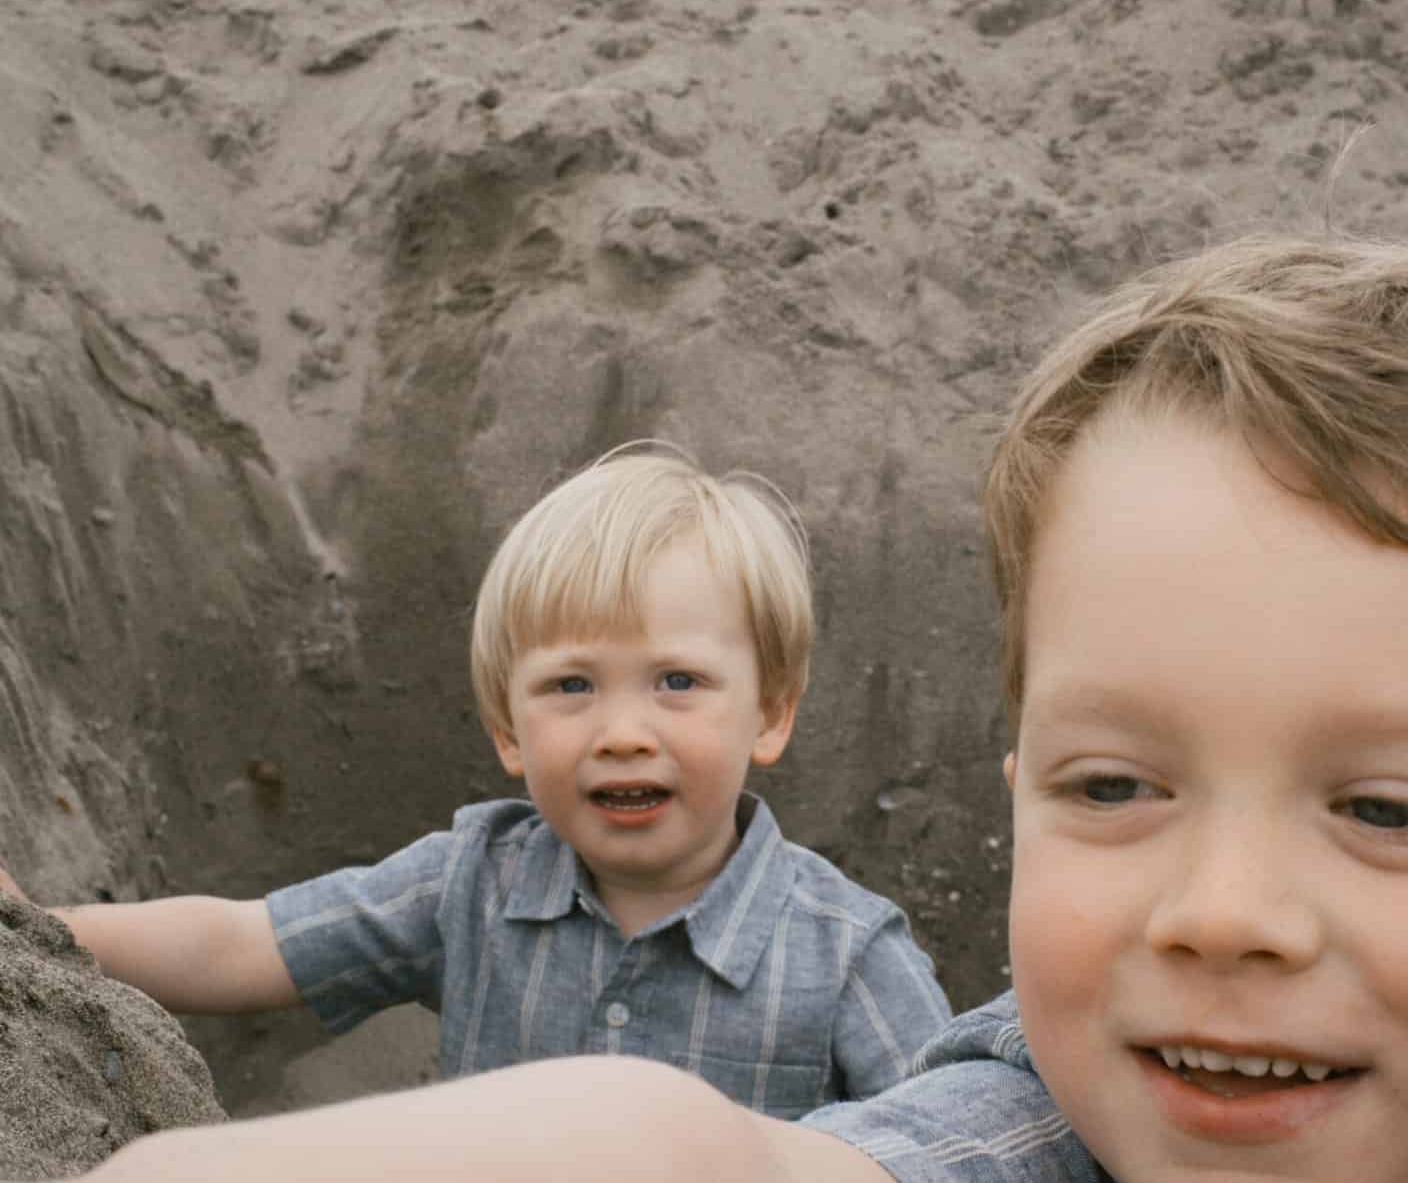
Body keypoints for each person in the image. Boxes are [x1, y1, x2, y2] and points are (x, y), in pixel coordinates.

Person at [5, 232, 1408, 1183]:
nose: (1223, 916)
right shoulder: (1076, 1179)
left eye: (1387, 811)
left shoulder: (840, 947)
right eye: (1115, 786)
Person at [29, 446, 951, 1117]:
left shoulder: (845, 957)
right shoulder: (473, 882)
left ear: (771, 714)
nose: (623, 734)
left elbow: (952, 1160)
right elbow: (244, 944)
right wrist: (35, 931)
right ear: (509, 729)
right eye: (570, 687)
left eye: (678, 682)